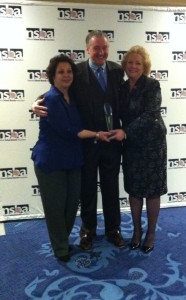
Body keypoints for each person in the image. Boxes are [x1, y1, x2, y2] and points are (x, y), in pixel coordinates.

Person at [31, 30, 125, 251]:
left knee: (112, 188)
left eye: (104, 48)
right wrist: (34, 104)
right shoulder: (76, 72)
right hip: (86, 144)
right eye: (96, 48)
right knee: (87, 190)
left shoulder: (116, 71)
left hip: (111, 143)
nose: (101, 52)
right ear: (87, 50)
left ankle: (114, 229)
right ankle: (88, 231)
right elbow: (55, 93)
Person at [110, 45, 167, 253]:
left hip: (153, 145)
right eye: (130, 62)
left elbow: (151, 114)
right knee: (134, 190)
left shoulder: (152, 85)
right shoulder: (122, 89)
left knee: (152, 191)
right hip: (132, 146)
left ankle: (151, 233)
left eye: (138, 63)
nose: (133, 66)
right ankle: (136, 231)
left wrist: (126, 132)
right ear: (125, 66)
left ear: (144, 66)